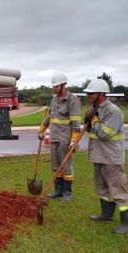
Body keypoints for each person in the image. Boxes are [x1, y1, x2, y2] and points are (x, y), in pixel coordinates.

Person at [83, 79, 128, 234]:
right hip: (99, 155)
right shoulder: (95, 109)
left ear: (101, 94)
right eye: (87, 93)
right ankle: (106, 215)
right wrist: (87, 122)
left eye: (91, 93)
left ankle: (126, 223)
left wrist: (94, 121)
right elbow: (92, 132)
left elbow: (104, 134)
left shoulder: (113, 111)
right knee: (102, 188)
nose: (88, 95)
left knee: (118, 190)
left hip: (111, 158)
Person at [38, 73, 82, 201]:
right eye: (53, 86)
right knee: (56, 165)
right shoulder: (54, 99)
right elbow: (49, 116)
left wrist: (74, 140)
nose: (54, 88)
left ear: (64, 85)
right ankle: (58, 191)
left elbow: (76, 121)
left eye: (56, 86)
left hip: (65, 139)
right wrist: (42, 129)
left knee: (66, 166)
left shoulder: (72, 100)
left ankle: (67, 193)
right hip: (54, 137)